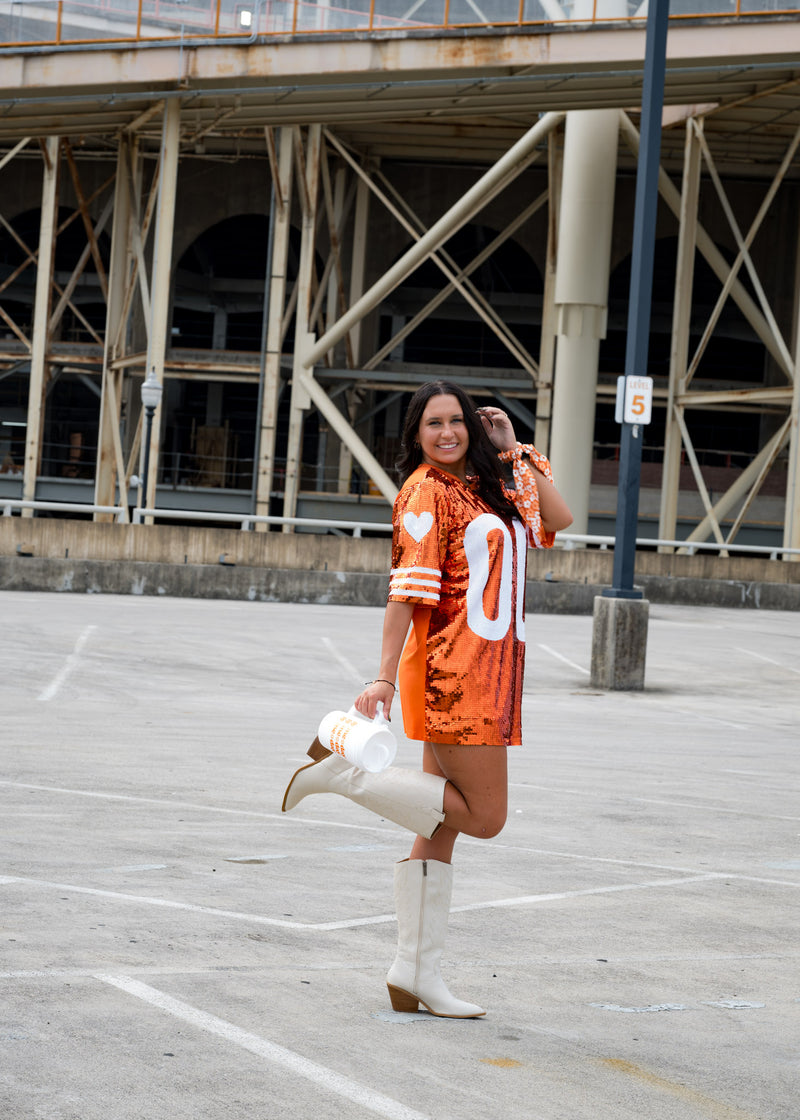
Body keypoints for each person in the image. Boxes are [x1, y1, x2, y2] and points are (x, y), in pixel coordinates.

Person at [282, 379, 572, 1018]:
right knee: (486, 817)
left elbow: (556, 518)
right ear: (415, 434)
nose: (447, 433)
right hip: (455, 675)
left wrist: (513, 448)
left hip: (491, 672)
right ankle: (345, 775)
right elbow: (405, 593)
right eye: (433, 424)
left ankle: (414, 974)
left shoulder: (484, 484)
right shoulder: (424, 491)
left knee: (437, 828)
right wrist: (382, 678)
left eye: (457, 421)